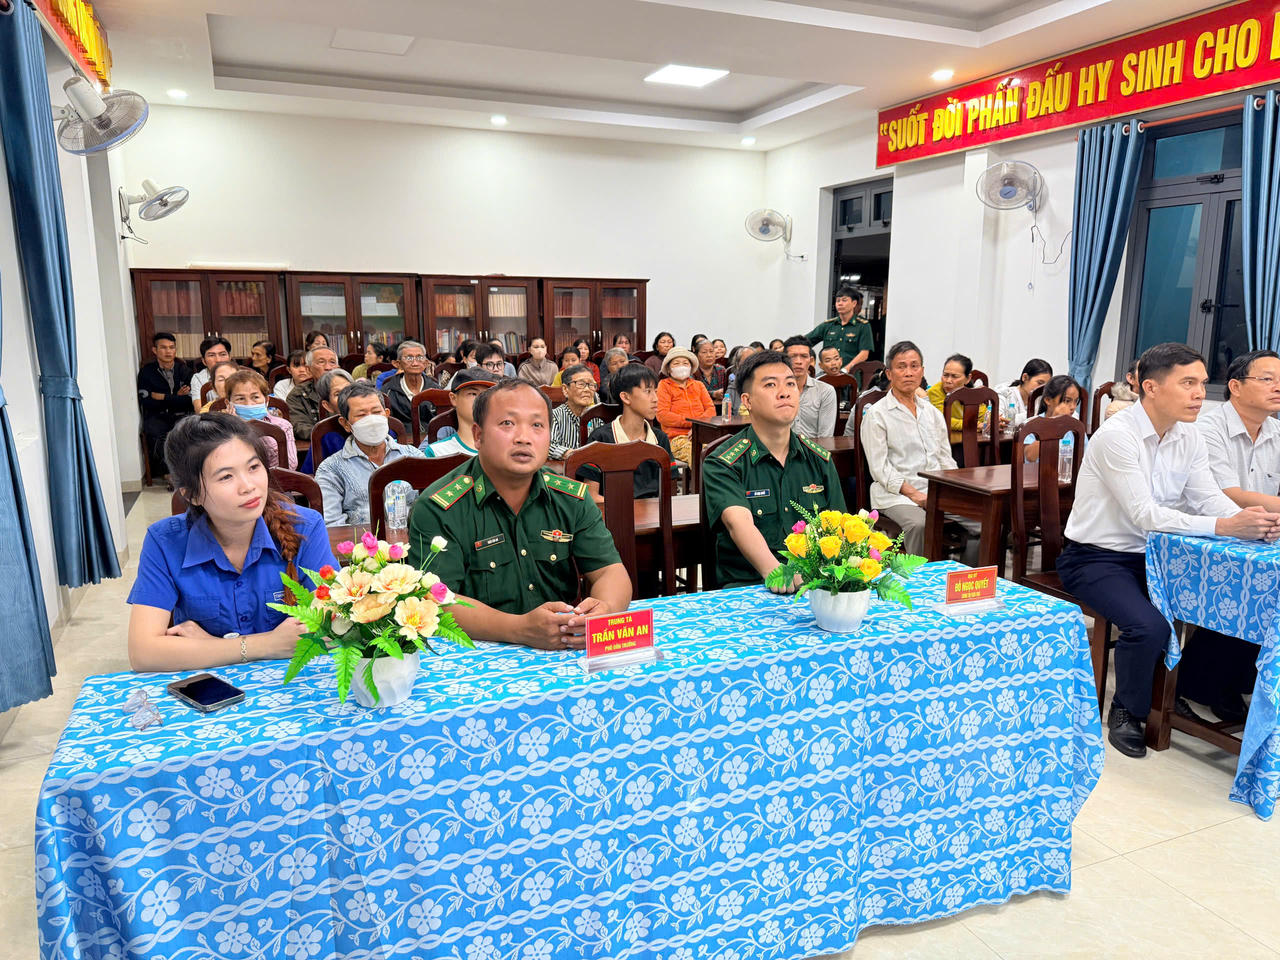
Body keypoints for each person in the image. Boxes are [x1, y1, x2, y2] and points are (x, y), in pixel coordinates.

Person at [1055, 343, 1280, 758]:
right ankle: (1128, 710)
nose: (1199, 394)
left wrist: (1253, 523)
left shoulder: (1188, 437)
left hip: (1162, 555)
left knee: (1234, 601)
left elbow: (1206, 498)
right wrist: (1225, 526)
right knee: (1150, 626)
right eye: (1188, 383)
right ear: (1150, 388)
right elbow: (1144, 514)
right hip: (1097, 557)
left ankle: (1191, 689)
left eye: (1201, 384)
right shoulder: (1117, 437)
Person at [406, 379, 631, 650]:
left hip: (564, 648)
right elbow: (438, 600)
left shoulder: (572, 498)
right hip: (476, 653)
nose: (524, 437)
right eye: (507, 424)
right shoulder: (439, 507)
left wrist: (604, 610)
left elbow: (610, 572)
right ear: (478, 436)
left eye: (537, 425)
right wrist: (521, 629)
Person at [126, 414, 337, 672]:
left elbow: (333, 625)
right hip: (211, 692)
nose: (249, 486)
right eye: (226, 477)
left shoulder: (305, 526)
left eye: (254, 467)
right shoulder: (165, 541)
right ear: (191, 495)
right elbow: (144, 654)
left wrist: (211, 646)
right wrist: (265, 644)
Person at [1178, 349, 1280, 722]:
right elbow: (1226, 494)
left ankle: (1238, 682)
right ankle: (1202, 683)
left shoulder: (1276, 431)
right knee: (1248, 592)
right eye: (1267, 379)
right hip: (1206, 541)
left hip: (1258, 538)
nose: (1277, 386)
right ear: (1235, 386)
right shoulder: (1207, 428)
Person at [702, 350, 846, 589]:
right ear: (747, 401)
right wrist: (776, 572)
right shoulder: (724, 462)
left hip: (814, 584)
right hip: (747, 586)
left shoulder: (819, 459)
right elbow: (739, 524)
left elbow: (838, 528)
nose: (784, 392)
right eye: (770, 385)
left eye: (791, 383)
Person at [860, 341, 972, 556]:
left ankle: (965, 583)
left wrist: (956, 490)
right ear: (890, 374)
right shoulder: (877, 415)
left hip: (937, 491)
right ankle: (920, 586)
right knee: (920, 525)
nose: (909, 373)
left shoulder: (932, 413)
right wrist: (915, 494)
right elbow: (879, 469)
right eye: (901, 367)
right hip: (896, 496)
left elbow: (945, 460)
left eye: (914, 366)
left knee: (983, 520)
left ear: (922, 371)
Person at [316, 382, 425, 525]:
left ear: (386, 414)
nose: (371, 420)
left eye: (376, 412)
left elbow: (432, 506)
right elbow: (331, 524)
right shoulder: (331, 469)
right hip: (361, 544)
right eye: (361, 415)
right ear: (346, 424)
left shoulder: (414, 457)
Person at [575, 363, 673, 500]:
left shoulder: (660, 438)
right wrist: (627, 509)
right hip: (615, 515)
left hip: (654, 514)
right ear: (626, 397)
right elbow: (592, 496)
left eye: (656, 392)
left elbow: (670, 492)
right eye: (648, 391)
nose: (655, 399)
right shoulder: (601, 438)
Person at [137, 331, 194, 482]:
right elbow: (146, 401)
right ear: (154, 350)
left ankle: (186, 472)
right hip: (157, 414)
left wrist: (164, 397)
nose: (168, 351)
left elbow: (190, 400)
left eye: (171, 347)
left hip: (182, 413)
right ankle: (168, 473)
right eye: (163, 347)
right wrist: (177, 397)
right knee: (157, 433)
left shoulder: (185, 371)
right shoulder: (146, 372)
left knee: (188, 432)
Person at [224, 369, 297, 470]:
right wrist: (237, 428)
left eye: (255, 397)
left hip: (276, 482)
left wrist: (264, 431)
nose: (249, 404)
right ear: (228, 404)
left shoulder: (283, 426)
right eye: (240, 399)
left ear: (266, 400)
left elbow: (291, 465)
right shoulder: (221, 429)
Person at [656, 347, 714, 463]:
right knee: (699, 455)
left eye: (685, 363)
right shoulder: (664, 385)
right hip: (677, 438)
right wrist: (694, 424)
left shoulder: (698, 385)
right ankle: (701, 481)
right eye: (676, 363)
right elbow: (662, 415)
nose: (681, 366)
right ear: (669, 368)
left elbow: (710, 409)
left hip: (703, 433)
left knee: (719, 451)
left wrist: (698, 428)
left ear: (691, 367)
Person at [422, 369, 495, 458]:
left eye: (486, 395)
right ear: (453, 398)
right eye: (473, 394)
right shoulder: (438, 452)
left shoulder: (505, 448)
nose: (481, 400)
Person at [804, 286, 873, 374]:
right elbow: (805, 342)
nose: (840, 303)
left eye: (844, 300)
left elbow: (864, 354)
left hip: (851, 375)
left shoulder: (863, 326)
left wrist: (845, 369)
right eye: (838, 301)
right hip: (828, 375)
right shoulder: (828, 325)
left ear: (854, 303)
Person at [297, 369, 355, 474]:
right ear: (327, 405)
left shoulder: (381, 424)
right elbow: (310, 475)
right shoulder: (325, 435)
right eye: (338, 394)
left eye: (350, 390)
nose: (346, 397)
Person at [784, 336, 837, 437]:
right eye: (793, 356)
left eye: (804, 356)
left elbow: (825, 437)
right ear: (784, 359)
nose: (798, 361)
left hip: (814, 450)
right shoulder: (774, 391)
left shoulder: (825, 391)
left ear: (811, 360)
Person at [1022, 375, 1081, 462]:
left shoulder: (1076, 428)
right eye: (1067, 401)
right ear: (1048, 400)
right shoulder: (1031, 425)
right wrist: (1054, 423)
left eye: (1076, 401)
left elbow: (1084, 459)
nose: (1073, 407)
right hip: (1035, 474)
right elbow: (1030, 456)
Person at [383, 339, 441, 427]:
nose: (415, 363)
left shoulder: (436, 390)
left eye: (420, 357)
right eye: (409, 358)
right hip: (400, 439)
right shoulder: (388, 391)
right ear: (398, 364)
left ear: (425, 363)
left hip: (432, 439)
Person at [287, 346, 339, 441]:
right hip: (317, 446)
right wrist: (331, 436)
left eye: (332, 362)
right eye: (321, 362)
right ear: (308, 369)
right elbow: (299, 427)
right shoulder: (297, 394)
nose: (328, 368)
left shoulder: (349, 390)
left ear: (338, 368)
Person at [550, 363, 599, 459]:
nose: (587, 389)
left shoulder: (597, 417)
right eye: (581, 384)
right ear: (565, 389)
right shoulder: (554, 416)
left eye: (591, 385)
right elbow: (547, 445)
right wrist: (568, 453)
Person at [927, 353, 976, 445]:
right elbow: (944, 419)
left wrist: (989, 422)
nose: (948, 381)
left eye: (954, 376)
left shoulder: (972, 393)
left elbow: (982, 417)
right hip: (943, 441)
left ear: (968, 378)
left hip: (967, 439)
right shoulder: (935, 392)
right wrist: (974, 425)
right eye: (945, 375)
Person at [997, 359, 1053, 431]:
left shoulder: (1044, 400)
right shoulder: (1004, 395)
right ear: (1025, 377)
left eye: (1046, 385)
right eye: (1040, 383)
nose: (1043, 389)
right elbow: (1001, 421)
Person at [817, 345, 853, 411]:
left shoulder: (850, 380)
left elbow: (854, 404)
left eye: (836, 359)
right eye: (828, 360)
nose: (833, 363)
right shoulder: (817, 381)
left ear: (841, 361)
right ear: (821, 365)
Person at [694, 338, 727, 404]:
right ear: (697, 355)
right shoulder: (693, 372)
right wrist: (713, 394)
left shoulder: (721, 370)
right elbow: (694, 393)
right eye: (704, 352)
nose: (709, 355)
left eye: (711, 351)